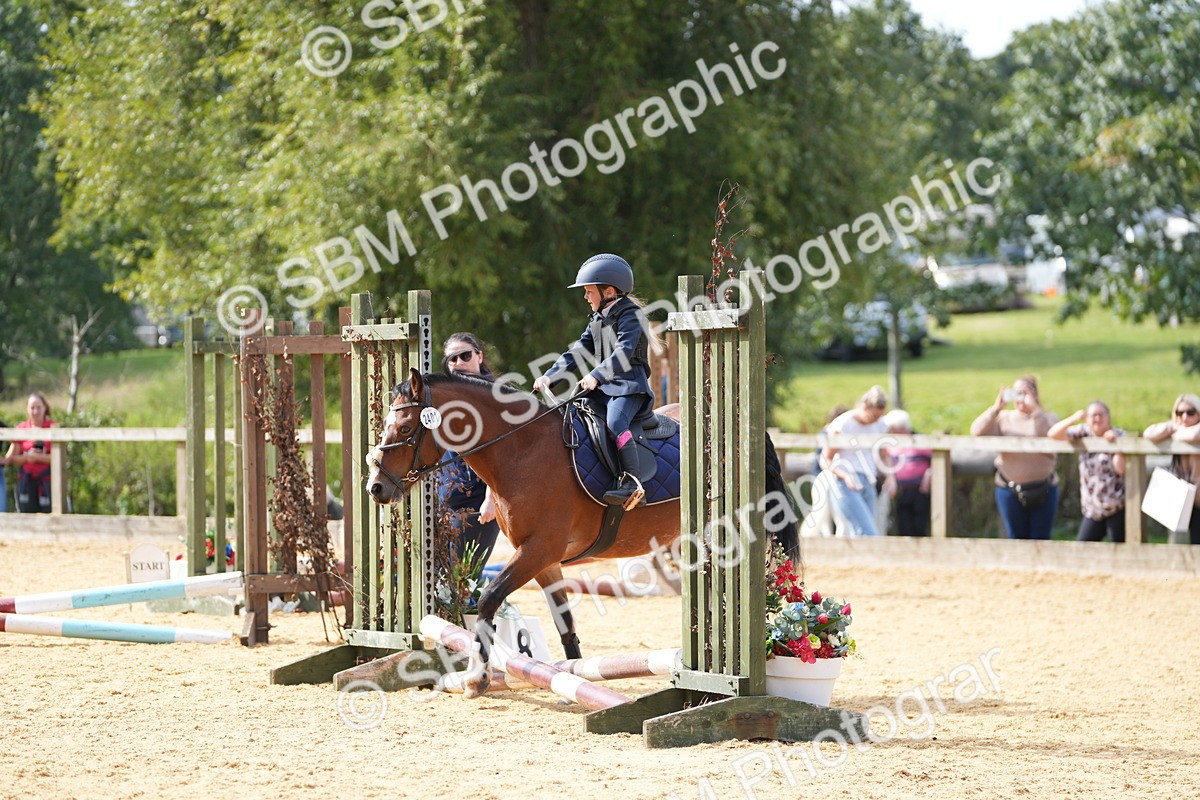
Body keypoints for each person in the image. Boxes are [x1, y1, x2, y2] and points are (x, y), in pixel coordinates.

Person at [532, 253, 658, 506]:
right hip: (606, 389)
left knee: (615, 422)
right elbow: (577, 352)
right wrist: (549, 376)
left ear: (608, 291)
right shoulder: (597, 320)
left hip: (629, 388)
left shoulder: (631, 316)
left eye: (589, 291)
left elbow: (624, 352)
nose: (586, 297)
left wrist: (596, 376)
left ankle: (632, 482)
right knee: (574, 416)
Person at [436, 332, 501, 564]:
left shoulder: (496, 398)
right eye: (452, 359)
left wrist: (491, 499)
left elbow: (502, 456)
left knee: (462, 574)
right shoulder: (443, 397)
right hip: (442, 504)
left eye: (465, 356)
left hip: (477, 505)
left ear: (479, 357)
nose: (459, 363)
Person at [970, 376, 1059, 539]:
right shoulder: (1003, 418)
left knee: (1041, 538)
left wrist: (1035, 411)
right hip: (1009, 490)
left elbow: (1047, 433)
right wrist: (995, 409)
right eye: (1016, 393)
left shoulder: (1049, 417)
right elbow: (976, 431)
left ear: (1035, 394)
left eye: (1025, 392)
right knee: (1015, 538)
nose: (1021, 397)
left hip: (1044, 489)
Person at [1048, 401, 1126, 543]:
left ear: (1108, 417)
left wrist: (1116, 445)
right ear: (1087, 418)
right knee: (1082, 548)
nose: (1097, 419)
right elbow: (1053, 434)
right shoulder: (1083, 432)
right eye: (1093, 415)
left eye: (1101, 415)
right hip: (1093, 508)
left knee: (1119, 549)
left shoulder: (1119, 435)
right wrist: (1074, 418)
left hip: (1116, 505)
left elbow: (1120, 469)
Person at [822, 386, 893, 536]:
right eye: (873, 416)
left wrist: (890, 477)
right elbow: (826, 459)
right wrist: (845, 476)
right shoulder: (843, 424)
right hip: (846, 483)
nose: (875, 420)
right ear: (864, 407)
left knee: (864, 532)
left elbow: (884, 455)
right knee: (867, 532)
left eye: (879, 417)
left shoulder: (880, 425)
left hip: (869, 481)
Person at [1143, 393, 1200, 545]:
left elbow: (1195, 434)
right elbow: (1148, 433)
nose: (1185, 416)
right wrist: (1173, 426)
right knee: (1179, 546)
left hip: (1197, 501)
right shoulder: (1176, 428)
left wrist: (1176, 434)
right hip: (1182, 501)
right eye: (1180, 413)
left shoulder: (1182, 433)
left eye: (1190, 412)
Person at [4, 393, 56, 513]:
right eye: (32, 408)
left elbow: (59, 458)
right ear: (27, 409)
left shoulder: (53, 427)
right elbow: (12, 458)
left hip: (48, 481)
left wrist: (38, 457)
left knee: (50, 515)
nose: (35, 411)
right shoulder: (21, 428)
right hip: (26, 481)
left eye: (38, 407)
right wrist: (27, 457)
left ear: (45, 408)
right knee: (26, 515)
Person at [883, 409, 932, 536]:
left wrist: (929, 474)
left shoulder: (920, 441)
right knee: (904, 526)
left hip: (919, 490)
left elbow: (934, 461)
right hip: (900, 491)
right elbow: (885, 459)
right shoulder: (891, 443)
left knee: (919, 526)